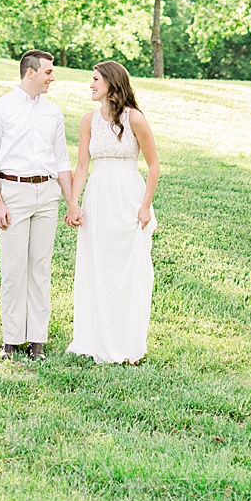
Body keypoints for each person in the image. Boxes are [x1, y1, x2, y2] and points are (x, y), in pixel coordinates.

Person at [0, 49, 76, 360]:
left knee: (40, 268)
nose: (52, 78)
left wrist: (72, 202)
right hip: (13, 193)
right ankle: (11, 339)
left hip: (47, 195)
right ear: (30, 72)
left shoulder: (53, 113)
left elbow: (62, 160)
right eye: (48, 72)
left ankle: (37, 340)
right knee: (14, 268)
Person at [65, 60, 159, 364]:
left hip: (128, 198)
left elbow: (154, 165)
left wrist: (145, 206)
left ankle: (127, 343)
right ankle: (93, 340)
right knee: (97, 268)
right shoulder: (86, 120)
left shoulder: (135, 119)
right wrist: (73, 202)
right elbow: (81, 166)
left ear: (111, 83)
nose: (90, 85)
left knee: (128, 271)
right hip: (98, 198)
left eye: (95, 79)